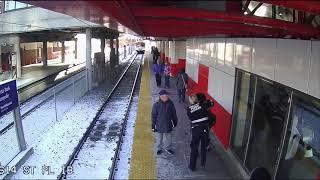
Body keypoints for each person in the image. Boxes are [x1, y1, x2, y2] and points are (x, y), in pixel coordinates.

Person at [187, 94, 211, 171]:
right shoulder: (203, 105)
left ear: (190, 101)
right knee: (204, 146)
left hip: (196, 129)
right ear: (197, 99)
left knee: (194, 147)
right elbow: (211, 103)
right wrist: (206, 102)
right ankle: (202, 164)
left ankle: (192, 166)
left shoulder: (188, 109)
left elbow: (190, 118)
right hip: (204, 128)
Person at [152, 90, 178, 155]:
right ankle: (159, 148)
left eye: (166, 96)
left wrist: (175, 122)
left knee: (169, 137)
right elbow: (153, 116)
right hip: (159, 124)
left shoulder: (171, 103)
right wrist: (153, 126)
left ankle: (168, 148)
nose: (166, 97)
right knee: (159, 138)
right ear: (160, 97)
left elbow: (174, 113)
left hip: (168, 124)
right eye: (164, 96)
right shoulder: (156, 105)